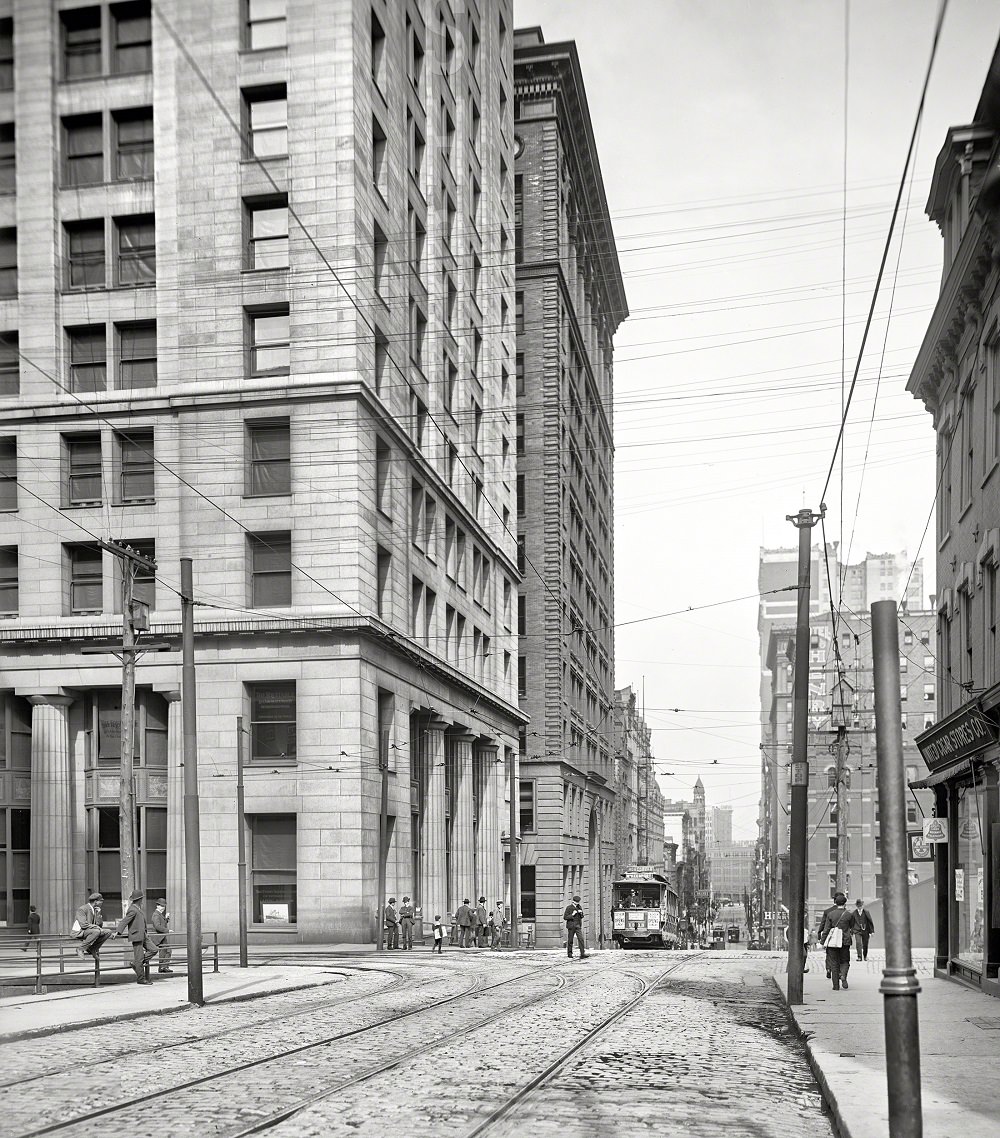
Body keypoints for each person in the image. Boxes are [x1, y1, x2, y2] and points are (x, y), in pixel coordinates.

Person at [818, 892, 858, 991]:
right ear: (845, 903)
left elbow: (826, 929)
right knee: (845, 961)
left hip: (833, 943)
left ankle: (835, 986)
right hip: (845, 941)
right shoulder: (849, 915)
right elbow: (853, 927)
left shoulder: (830, 914)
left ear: (835, 902)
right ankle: (843, 975)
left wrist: (822, 942)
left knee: (834, 963)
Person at [116, 889, 157, 984]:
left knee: (154, 949)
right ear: (139, 899)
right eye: (141, 898)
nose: (142, 900)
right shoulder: (132, 910)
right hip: (137, 936)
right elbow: (124, 921)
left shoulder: (137, 909)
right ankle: (141, 978)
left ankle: (136, 963)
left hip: (143, 935)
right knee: (139, 958)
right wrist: (118, 932)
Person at [74, 892, 113, 958]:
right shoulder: (82, 909)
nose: (102, 903)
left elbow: (100, 925)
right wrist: (97, 928)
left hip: (91, 931)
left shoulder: (95, 910)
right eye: (101, 901)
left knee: (108, 932)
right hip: (80, 931)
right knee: (96, 931)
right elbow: (83, 925)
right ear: (95, 901)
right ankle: (80, 949)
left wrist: (98, 915)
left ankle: (93, 948)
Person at [148, 898, 173, 974]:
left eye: (164, 906)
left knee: (165, 951)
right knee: (166, 950)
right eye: (162, 906)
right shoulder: (156, 915)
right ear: (157, 906)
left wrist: (166, 918)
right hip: (158, 937)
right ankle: (163, 967)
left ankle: (163, 967)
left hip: (161, 936)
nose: (163, 908)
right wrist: (167, 930)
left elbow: (161, 924)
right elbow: (157, 926)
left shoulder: (159, 914)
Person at [563, 894, 587, 959]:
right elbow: (565, 917)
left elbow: (582, 916)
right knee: (570, 940)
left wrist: (581, 913)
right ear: (573, 901)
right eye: (576, 902)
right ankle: (570, 953)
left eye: (578, 902)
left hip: (578, 925)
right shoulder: (569, 907)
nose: (577, 903)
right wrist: (572, 914)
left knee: (581, 939)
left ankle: (582, 953)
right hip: (571, 925)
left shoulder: (579, 907)